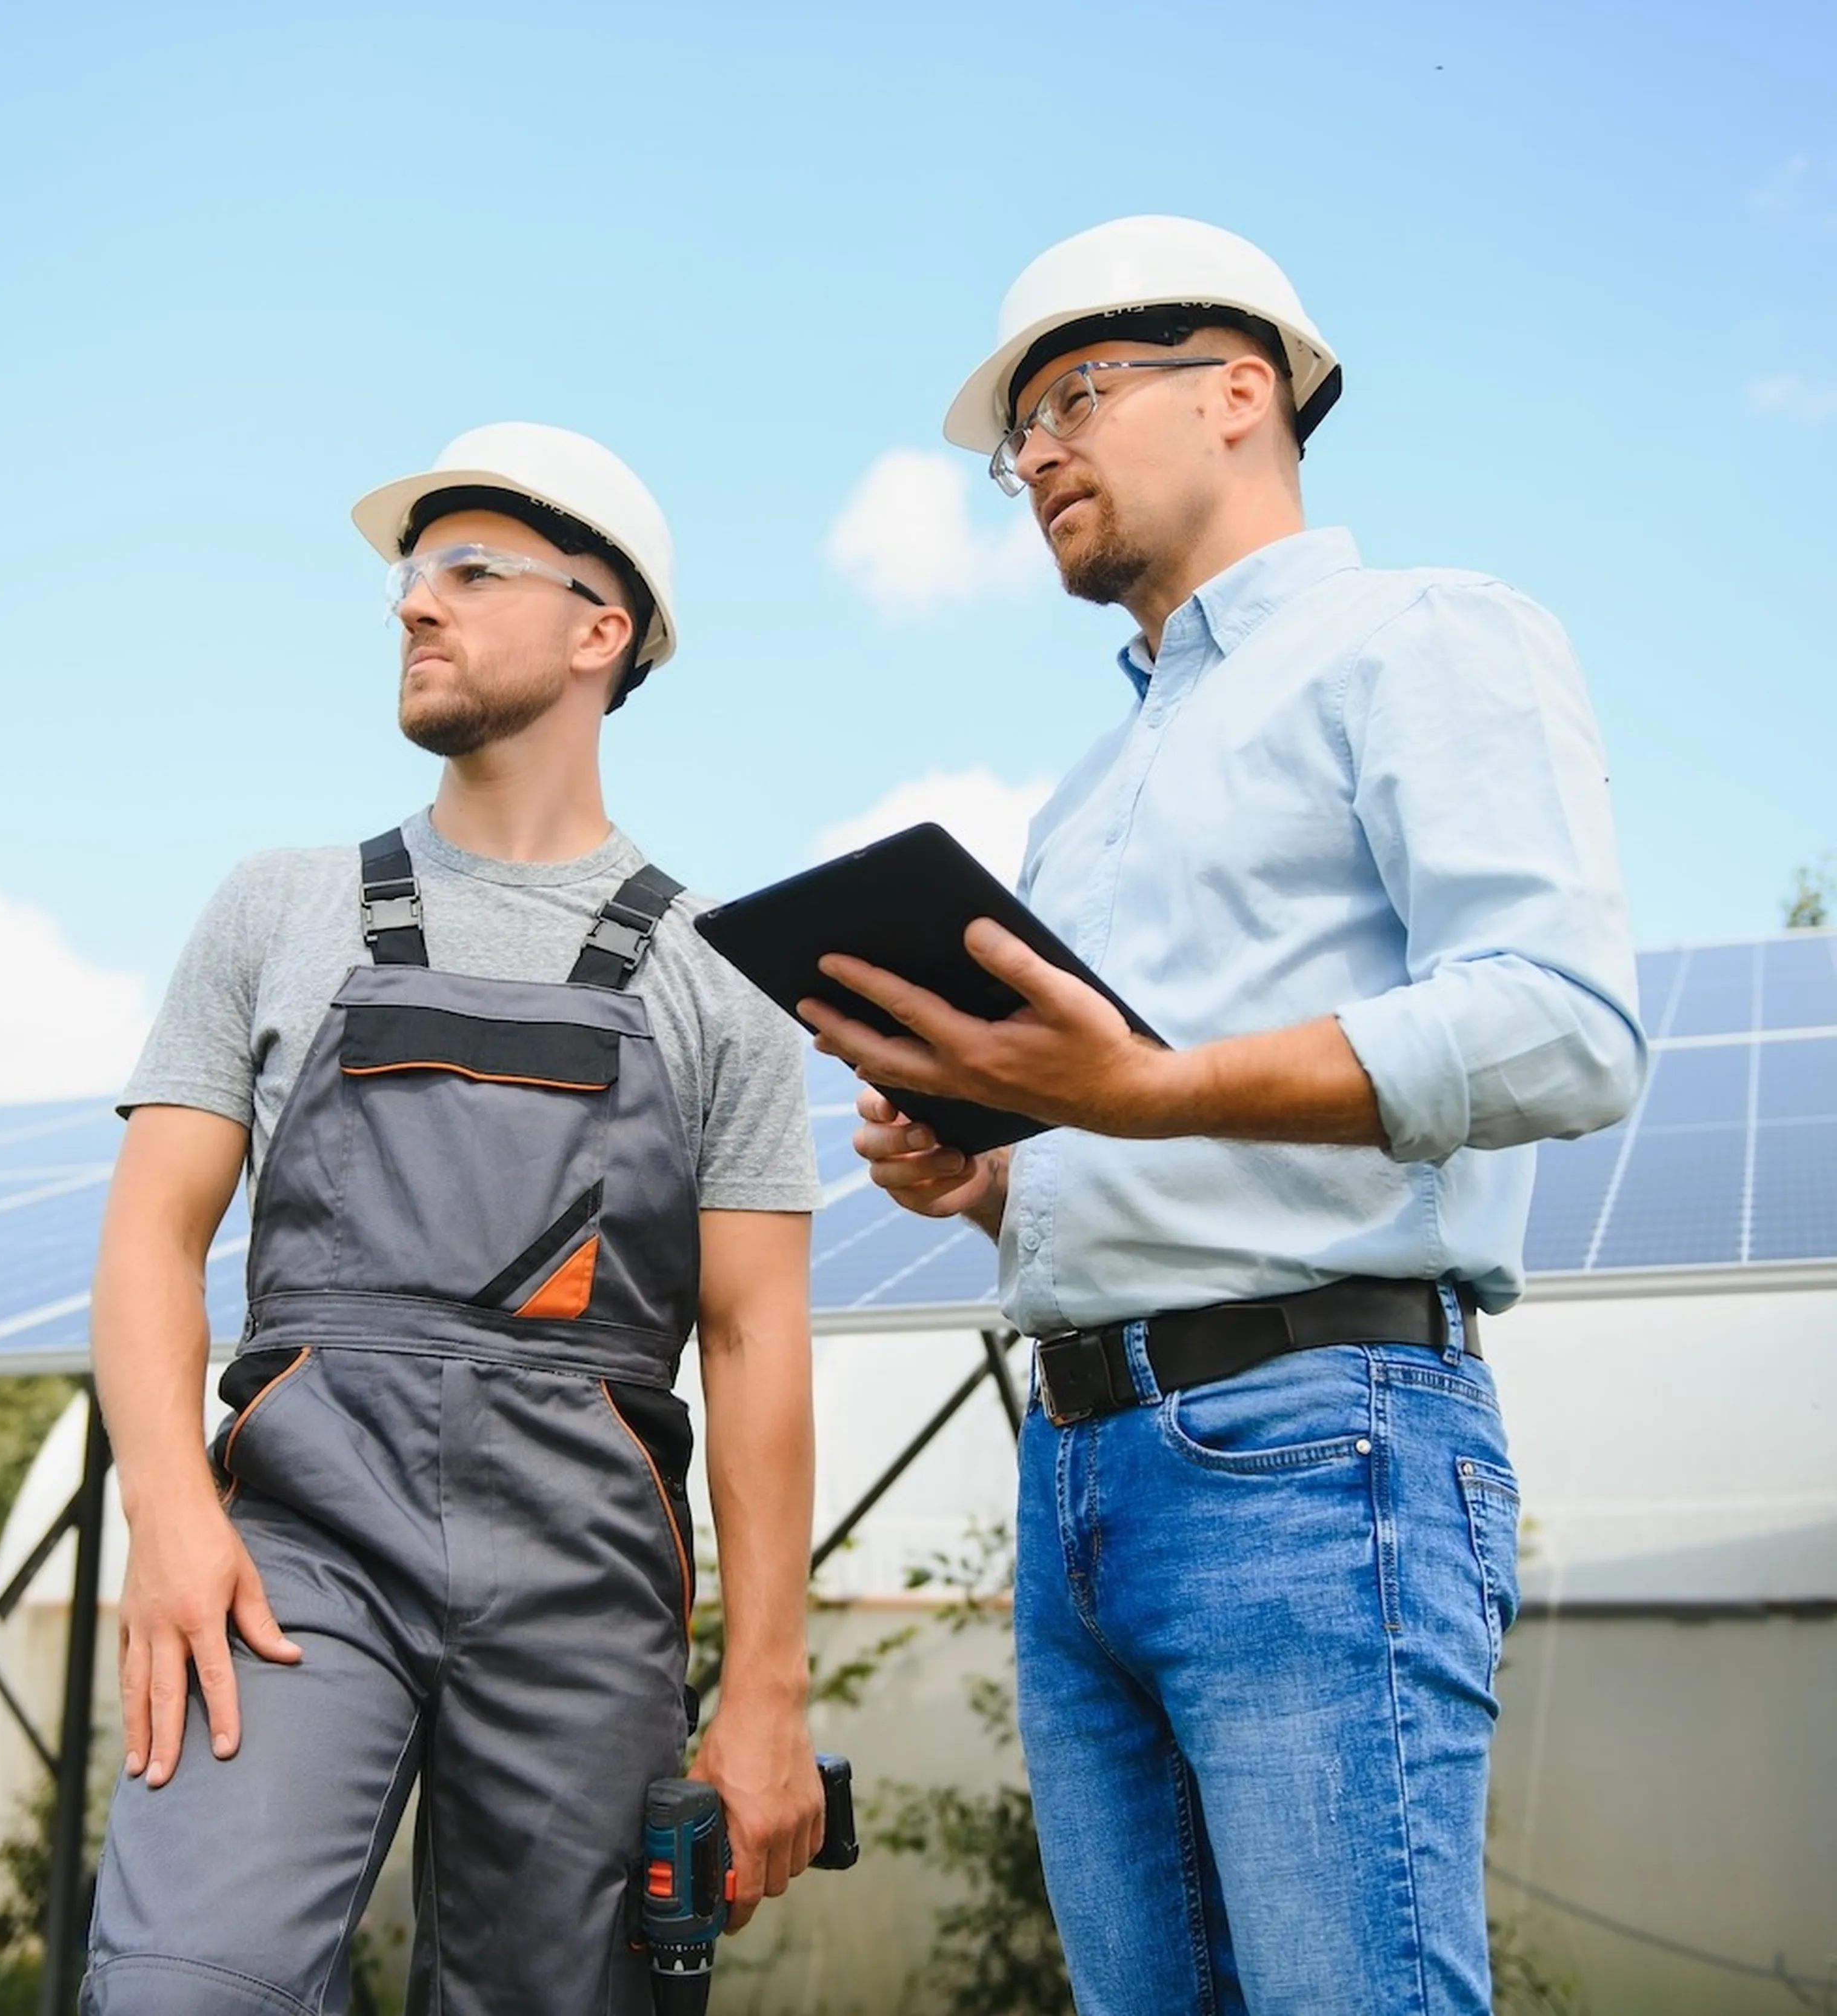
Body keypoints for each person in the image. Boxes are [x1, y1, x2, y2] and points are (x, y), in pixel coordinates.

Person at [803, 216, 1645, 2016]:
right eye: (1020, 432)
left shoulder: (1425, 637)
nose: (1031, 454)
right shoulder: (1082, 797)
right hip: (1078, 1468)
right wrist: (981, 1170)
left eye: (1072, 398)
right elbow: (1120, 1144)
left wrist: (1149, 1085)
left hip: (1315, 1445)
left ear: (1243, 388)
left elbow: (1567, 1028)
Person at [81, 422, 825, 2016]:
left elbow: (758, 1341)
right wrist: (170, 1511)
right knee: (181, 1990)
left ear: (597, 629)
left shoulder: (724, 975)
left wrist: (765, 1691)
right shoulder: (279, 905)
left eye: (467, 572)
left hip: (584, 1577)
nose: (415, 606)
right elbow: (151, 1237)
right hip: (293, 1550)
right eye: (412, 577)